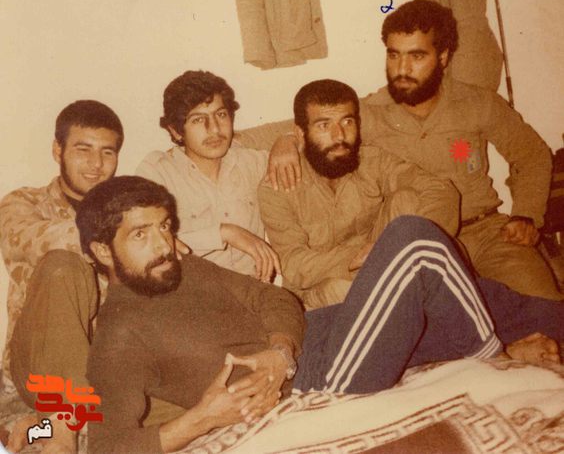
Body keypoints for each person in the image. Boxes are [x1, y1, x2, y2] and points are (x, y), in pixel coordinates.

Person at [78, 176, 561, 454]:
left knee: (473, 292)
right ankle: (494, 360)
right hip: (321, 379)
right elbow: (105, 447)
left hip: (311, 340)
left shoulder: (184, 268)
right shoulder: (120, 334)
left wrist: (279, 350)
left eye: (164, 227)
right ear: (102, 250)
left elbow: (274, 300)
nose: (164, 244)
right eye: (141, 235)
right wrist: (202, 420)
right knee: (412, 241)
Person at [239, 0, 562, 301]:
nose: (402, 68)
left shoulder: (478, 103)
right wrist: (286, 140)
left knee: (545, 308)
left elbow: (531, 154)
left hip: (489, 233)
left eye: (416, 56)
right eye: (394, 55)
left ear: (443, 57)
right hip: (419, 248)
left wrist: (526, 215)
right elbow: (309, 126)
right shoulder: (370, 113)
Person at [258, 79, 459, 308]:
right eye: (324, 126)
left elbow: (440, 190)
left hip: (385, 264)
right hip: (320, 288)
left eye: (347, 122)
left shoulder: (372, 161)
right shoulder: (277, 186)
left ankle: (410, 296)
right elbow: (294, 264)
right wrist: (362, 256)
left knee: (408, 199)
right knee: (342, 290)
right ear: (300, 134)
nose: (339, 136)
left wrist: (410, 244)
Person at [0, 100, 123, 453]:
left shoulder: (129, 212)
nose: (96, 164)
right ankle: (60, 429)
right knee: (62, 265)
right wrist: (125, 232)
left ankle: (42, 429)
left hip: (107, 369)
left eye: (107, 152)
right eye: (83, 150)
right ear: (58, 151)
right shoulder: (24, 202)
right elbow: (25, 238)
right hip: (36, 370)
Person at [137, 70, 280, 282]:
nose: (214, 129)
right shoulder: (158, 173)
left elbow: (303, 126)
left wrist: (287, 141)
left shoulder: (250, 162)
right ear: (176, 131)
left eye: (221, 115)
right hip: (192, 294)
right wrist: (224, 233)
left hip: (253, 289)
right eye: (198, 120)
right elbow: (144, 241)